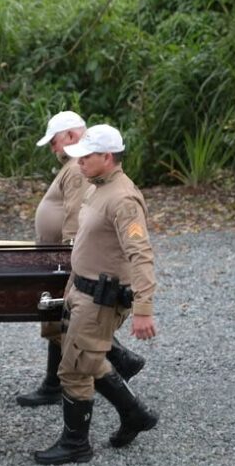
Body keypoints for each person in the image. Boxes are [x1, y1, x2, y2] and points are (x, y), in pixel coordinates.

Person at [34, 124, 159, 465]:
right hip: (82, 289)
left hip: (101, 298)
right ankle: (135, 414)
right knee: (87, 359)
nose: (79, 163)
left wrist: (144, 309)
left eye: (86, 157)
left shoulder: (123, 198)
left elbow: (141, 255)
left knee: (73, 370)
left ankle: (76, 444)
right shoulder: (95, 186)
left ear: (107, 157)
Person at [17, 112, 145, 407]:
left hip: (66, 261)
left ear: (72, 137)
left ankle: (123, 384)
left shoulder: (78, 169)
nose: (52, 148)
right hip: (62, 260)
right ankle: (111, 369)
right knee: (63, 323)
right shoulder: (78, 166)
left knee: (75, 328)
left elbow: (75, 219)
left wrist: (67, 258)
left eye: (54, 141)